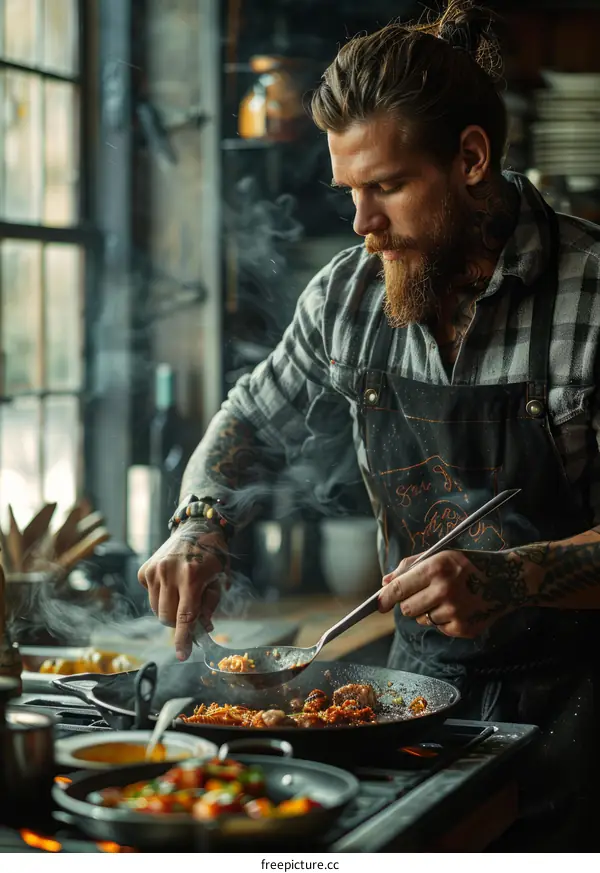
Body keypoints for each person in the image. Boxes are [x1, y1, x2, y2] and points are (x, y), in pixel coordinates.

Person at [138, 0, 600, 850]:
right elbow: (249, 414)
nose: (360, 224)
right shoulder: (347, 295)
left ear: (470, 158)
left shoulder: (593, 293)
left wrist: (513, 576)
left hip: (585, 706)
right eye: (350, 191)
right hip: (419, 699)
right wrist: (198, 522)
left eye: (385, 187)